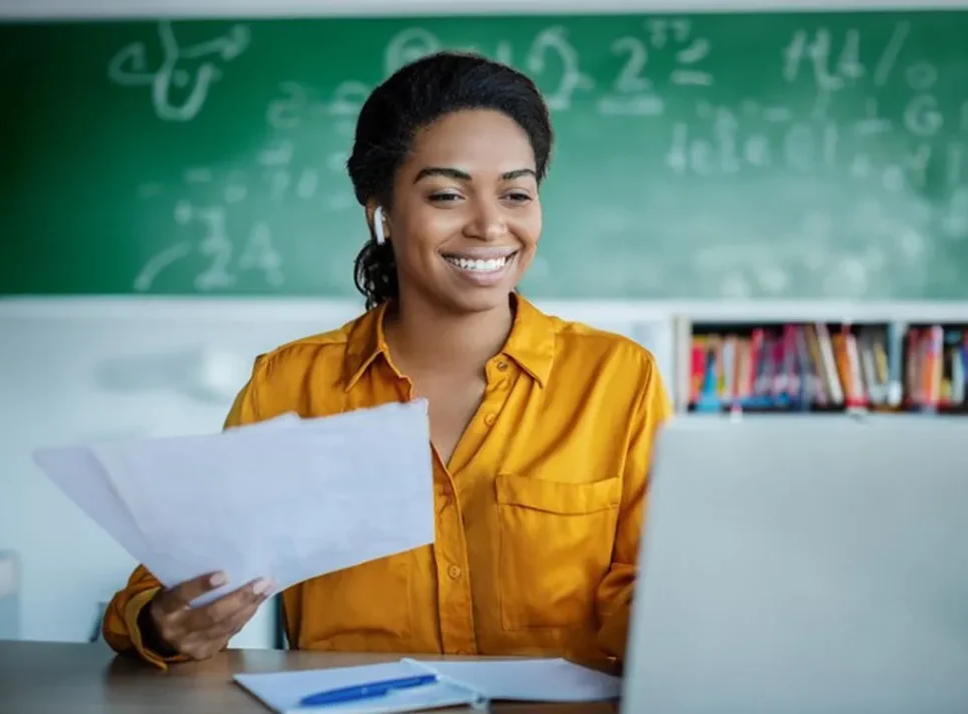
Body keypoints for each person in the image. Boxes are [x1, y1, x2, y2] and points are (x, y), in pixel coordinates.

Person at [102, 51, 671, 671]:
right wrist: (165, 625)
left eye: (516, 193)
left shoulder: (617, 378)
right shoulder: (292, 385)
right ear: (381, 213)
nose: (490, 225)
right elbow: (160, 592)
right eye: (448, 194)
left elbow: (654, 586)